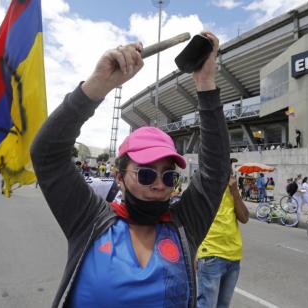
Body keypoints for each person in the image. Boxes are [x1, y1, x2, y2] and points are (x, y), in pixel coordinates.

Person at [31, 32, 230, 307]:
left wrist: (206, 82)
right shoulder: (89, 220)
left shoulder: (185, 225)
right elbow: (47, 153)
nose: (160, 185)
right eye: (146, 174)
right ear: (119, 178)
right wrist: (98, 85)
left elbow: (216, 170)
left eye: (169, 176)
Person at [197, 162, 249, 308]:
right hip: (211, 255)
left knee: (223, 305)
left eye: (230, 170)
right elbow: (192, 222)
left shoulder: (232, 190)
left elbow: (244, 218)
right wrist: (195, 253)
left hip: (233, 257)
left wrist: (235, 192)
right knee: (207, 304)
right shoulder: (204, 188)